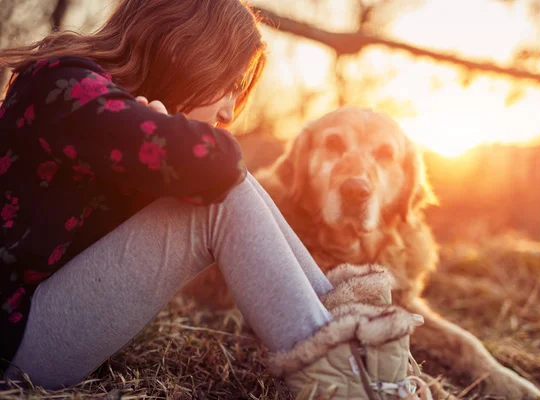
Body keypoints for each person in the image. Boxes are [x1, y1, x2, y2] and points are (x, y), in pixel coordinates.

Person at [0, 1, 426, 397]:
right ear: (189, 54)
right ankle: (348, 383)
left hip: (35, 325)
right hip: (14, 340)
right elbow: (217, 162)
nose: (228, 111)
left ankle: (359, 348)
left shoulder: (92, 108)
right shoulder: (62, 83)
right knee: (219, 192)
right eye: (231, 85)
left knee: (219, 184)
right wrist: (171, 134)